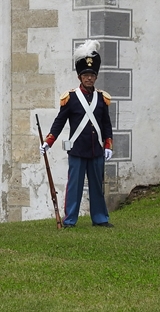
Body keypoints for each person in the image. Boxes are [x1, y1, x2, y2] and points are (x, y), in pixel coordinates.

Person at [40, 39, 114, 228]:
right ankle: (70, 219)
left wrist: (108, 144)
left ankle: (100, 218)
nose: (89, 78)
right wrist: (49, 140)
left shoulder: (101, 98)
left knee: (97, 186)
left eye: (92, 75)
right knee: (74, 187)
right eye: (85, 75)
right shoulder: (71, 98)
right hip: (77, 149)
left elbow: (106, 124)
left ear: (96, 77)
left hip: (96, 149)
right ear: (80, 77)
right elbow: (60, 121)